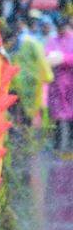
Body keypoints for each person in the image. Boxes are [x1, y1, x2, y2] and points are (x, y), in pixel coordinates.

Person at [45, 19, 73, 153]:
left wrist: (63, 59)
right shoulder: (53, 40)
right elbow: (46, 54)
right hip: (56, 84)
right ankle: (58, 146)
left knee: (70, 115)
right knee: (57, 115)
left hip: (70, 83)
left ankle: (69, 145)